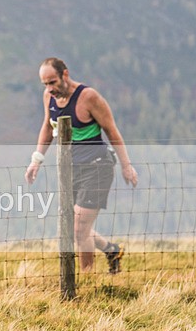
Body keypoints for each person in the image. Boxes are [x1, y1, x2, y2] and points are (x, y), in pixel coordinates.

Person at [25, 57, 137, 273]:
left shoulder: (88, 97)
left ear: (65, 74)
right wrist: (36, 160)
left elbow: (112, 131)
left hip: (97, 168)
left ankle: (88, 278)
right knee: (74, 226)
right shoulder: (48, 97)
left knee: (79, 229)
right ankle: (112, 251)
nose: (50, 88)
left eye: (53, 82)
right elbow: (48, 127)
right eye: (45, 84)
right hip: (70, 170)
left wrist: (126, 166)